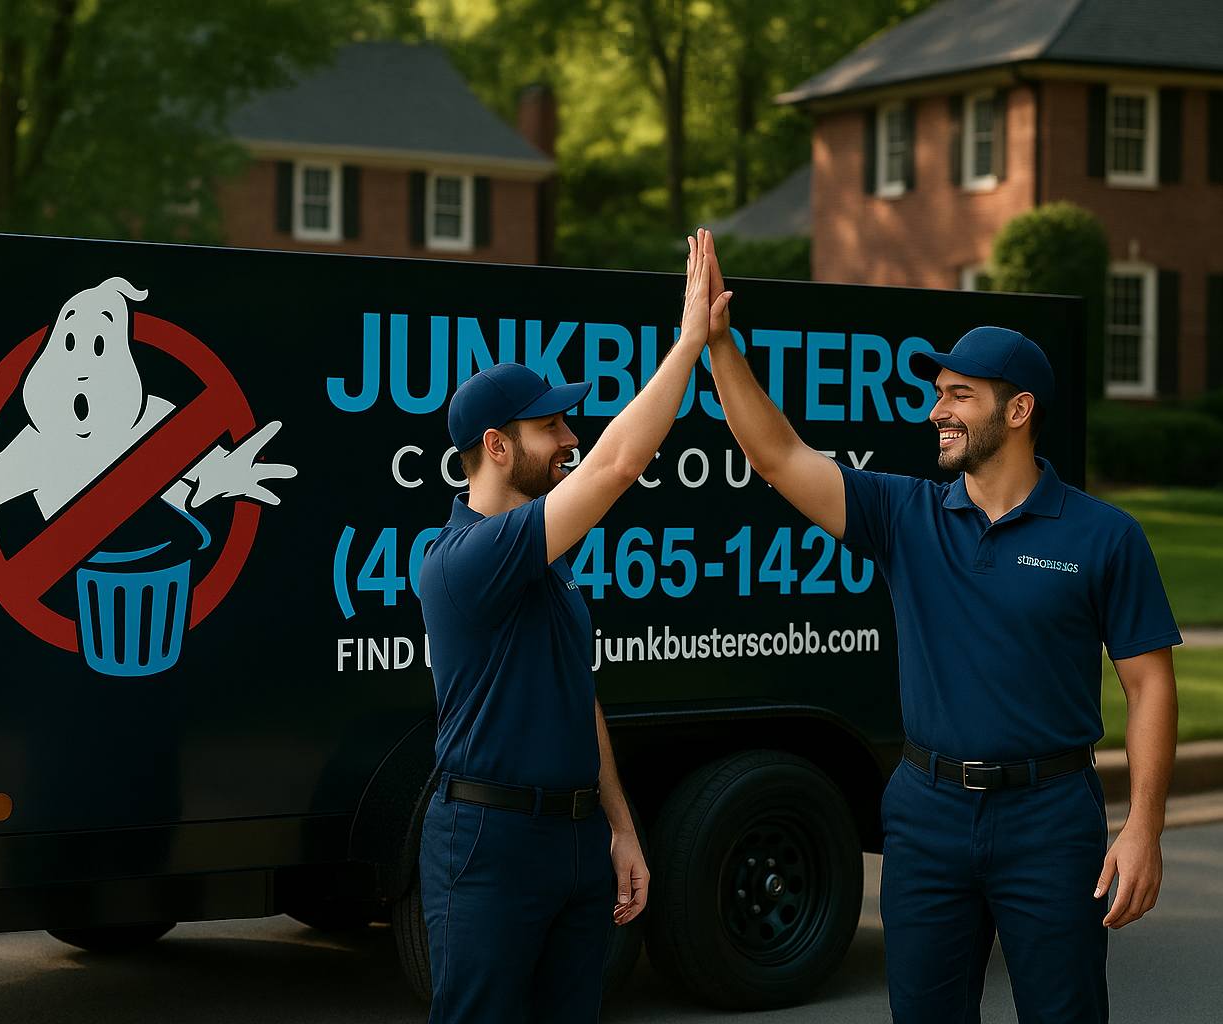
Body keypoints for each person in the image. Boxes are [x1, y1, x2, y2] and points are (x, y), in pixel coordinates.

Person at [699, 232, 1180, 1023]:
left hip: (1051, 817)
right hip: (926, 815)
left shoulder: (1105, 536)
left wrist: (1145, 827)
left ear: (1018, 410)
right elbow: (779, 457)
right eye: (938, 393)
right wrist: (719, 344)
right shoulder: (904, 514)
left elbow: (1150, 685)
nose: (937, 411)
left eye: (960, 395)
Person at [416, 230, 731, 1023]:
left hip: (576, 839)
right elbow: (617, 466)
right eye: (550, 426)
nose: (569, 438)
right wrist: (690, 341)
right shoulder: (467, 558)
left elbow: (574, 697)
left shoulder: (543, 558)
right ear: (496, 447)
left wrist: (618, 827)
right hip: (488, 841)